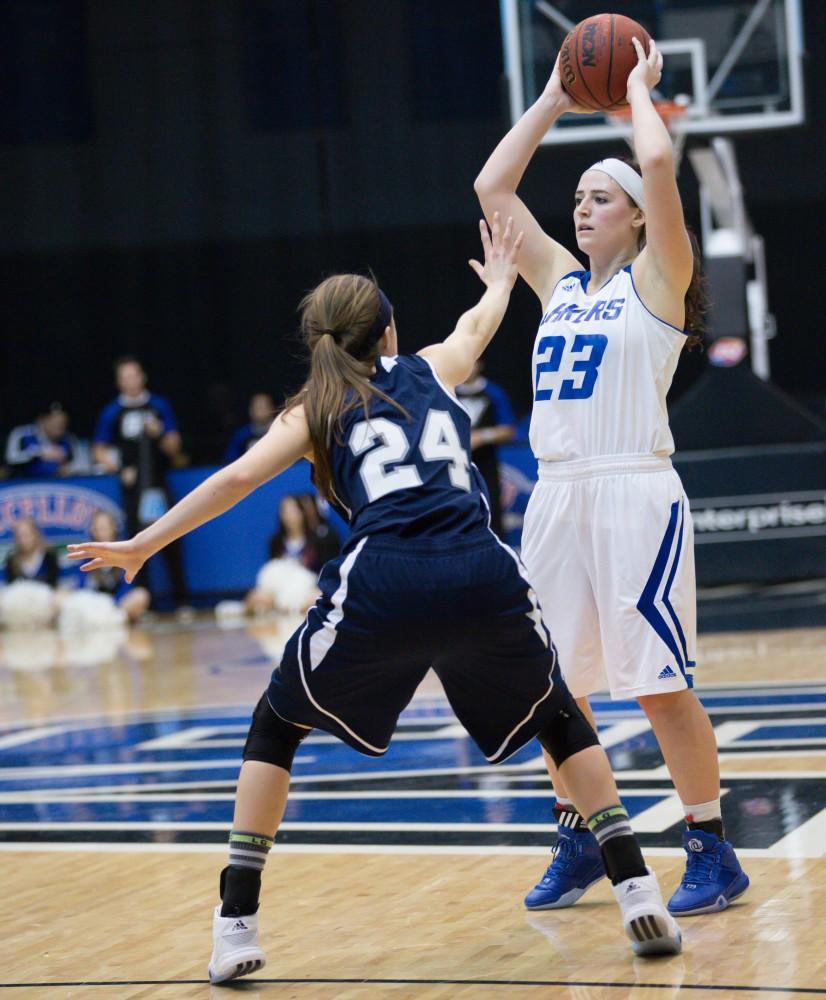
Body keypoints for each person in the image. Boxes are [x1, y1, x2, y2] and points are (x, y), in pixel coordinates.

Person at [69, 216, 681, 984]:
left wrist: (143, 545)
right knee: (557, 714)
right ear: (389, 330)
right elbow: (476, 328)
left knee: (276, 723)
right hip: (478, 568)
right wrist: (497, 282)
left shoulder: (313, 409)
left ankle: (235, 924)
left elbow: (230, 482)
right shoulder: (428, 369)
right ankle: (634, 888)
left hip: (386, 578)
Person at [474, 40, 748, 917]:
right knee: (555, 688)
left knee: (659, 683)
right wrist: (556, 94)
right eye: (579, 198)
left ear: (636, 218)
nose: (582, 209)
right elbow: (493, 190)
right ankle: (585, 836)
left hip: (634, 489)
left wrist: (632, 89)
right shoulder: (557, 286)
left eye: (600, 198)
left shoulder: (657, 285)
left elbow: (658, 158)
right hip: (556, 495)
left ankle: (710, 844)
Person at [92, 356, 189, 608]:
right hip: (132, 488)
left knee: (171, 536)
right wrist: (119, 468)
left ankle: (181, 599)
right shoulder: (112, 411)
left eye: (134, 375)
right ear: (118, 382)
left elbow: (174, 446)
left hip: (157, 483)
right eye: (125, 377)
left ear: (142, 376)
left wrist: (159, 435)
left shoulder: (158, 405)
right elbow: (99, 450)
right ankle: (144, 601)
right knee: (137, 540)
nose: (131, 381)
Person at [455, 359, 517, 538]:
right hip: (456, 465)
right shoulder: (448, 391)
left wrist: (482, 437)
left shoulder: (493, 393)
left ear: (479, 364)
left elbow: (508, 430)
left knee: (491, 511)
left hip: (486, 464)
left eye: (472, 362)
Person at [74, 511, 151, 624]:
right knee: (63, 596)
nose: (102, 531)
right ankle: (100, 622)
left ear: (113, 528)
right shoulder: (86, 554)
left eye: (105, 527)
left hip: (118, 607)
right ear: (93, 531)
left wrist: (112, 606)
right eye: (98, 528)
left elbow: (128, 585)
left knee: (141, 595)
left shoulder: (124, 551)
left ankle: (116, 621)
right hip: (93, 607)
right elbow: (81, 588)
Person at [5, 403, 79, 478]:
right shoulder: (21, 434)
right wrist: (39, 454)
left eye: (63, 423)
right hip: (23, 483)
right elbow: (11, 459)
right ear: (41, 420)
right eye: (55, 422)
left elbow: (79, 465)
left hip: (59, 484)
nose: (60, 426)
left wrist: (67, 467)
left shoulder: (69, 439)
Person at [4, 518, 59, 586]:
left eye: (27, 535)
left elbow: (53, 583)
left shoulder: (49, 555)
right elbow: (11, 586)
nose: (23, 540)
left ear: (36, 533)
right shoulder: (11, 560)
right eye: (20, 536)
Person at [224, 393, 277, 463]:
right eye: (259, 407)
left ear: (272, 408)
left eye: (265, 407)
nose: (262, 411)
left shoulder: (280, 431)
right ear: (251, 410)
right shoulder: (242, 434)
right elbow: (230, 459)